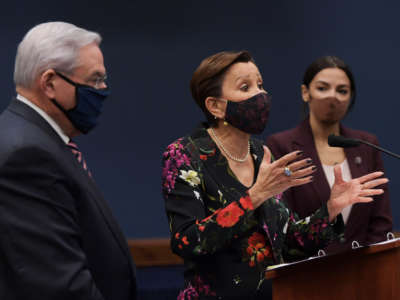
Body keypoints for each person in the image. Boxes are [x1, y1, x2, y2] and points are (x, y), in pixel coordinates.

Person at [161, 51, 388, 299]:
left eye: (260, 85)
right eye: (245, 87)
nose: (260, 95)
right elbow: (187, 242)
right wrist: (254, 197)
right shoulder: (185, 154)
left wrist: (331, 211)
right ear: (215, 105)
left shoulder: (261, 154)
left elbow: (288, 243)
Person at [0, 22, 136, 300]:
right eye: (95, 80)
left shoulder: (31, 137)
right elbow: (58, 284)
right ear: (50, 83)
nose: (103, 89)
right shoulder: (26, 155)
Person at [266, 55, 393, 253]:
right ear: (305, 92)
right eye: (323, 88)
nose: (332, 96)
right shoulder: (281, 146)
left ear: (350, 97)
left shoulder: (366, 145)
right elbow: (283, 223)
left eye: (342, 91)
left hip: (364, 270)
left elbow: (381, 221)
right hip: (311, 270)